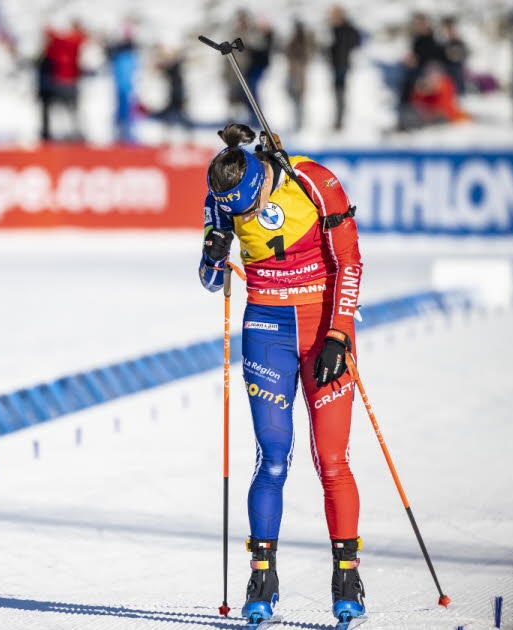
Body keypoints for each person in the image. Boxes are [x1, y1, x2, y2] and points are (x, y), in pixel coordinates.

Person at [198, 122, 365, 627]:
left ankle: (347, 579)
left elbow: (350, 261)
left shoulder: (311, 178)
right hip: (267, 330)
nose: (246, 217)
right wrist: (214, 253)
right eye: (238, 213)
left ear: (260, 179)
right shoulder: (221, 199)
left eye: (250, 207)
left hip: (322, 329)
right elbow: (210, 280)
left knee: (331, 459)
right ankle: (262, 580)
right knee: (272, 458)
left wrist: (339, 334)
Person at [41, 19, 86, 142]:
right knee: (66, 110)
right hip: (62, 82)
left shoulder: (67, 42)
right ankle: (69, 133)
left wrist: (49, 31)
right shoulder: (65, 43)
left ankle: (73, 133)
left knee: (70, 110)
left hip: (68, 82)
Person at [105, 18, 140, 144]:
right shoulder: (120, 51)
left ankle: (126, 135)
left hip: (126, 86)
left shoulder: (128, 50)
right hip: (122, 86)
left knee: (127, 109)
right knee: (122, 109)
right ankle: (122, 135)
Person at [326, 5, 360, 132]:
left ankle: (340, 121)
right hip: (335, 65)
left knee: (341, 93)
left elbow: (354, 43)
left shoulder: (347, 29)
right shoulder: (332, 29)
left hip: (343, 65)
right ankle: (338, 119)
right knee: (336, 94)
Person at [283, 19, 314, 132]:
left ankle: (299, 123)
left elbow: (305, 56)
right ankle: (297, 122)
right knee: (294, 97)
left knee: (298, 98)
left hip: (299, 72)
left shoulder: (303, 41)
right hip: (294, 71)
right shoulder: (297, 40)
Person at [440, 17, 469, 95]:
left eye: (450, 28)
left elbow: (463, 55)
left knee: (456, 71)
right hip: (443, 66)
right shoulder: (442, 41)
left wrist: (454, 55)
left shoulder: (459, 41)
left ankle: (460, 93)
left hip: (455, 66)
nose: (448, 31)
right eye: (446, 28)